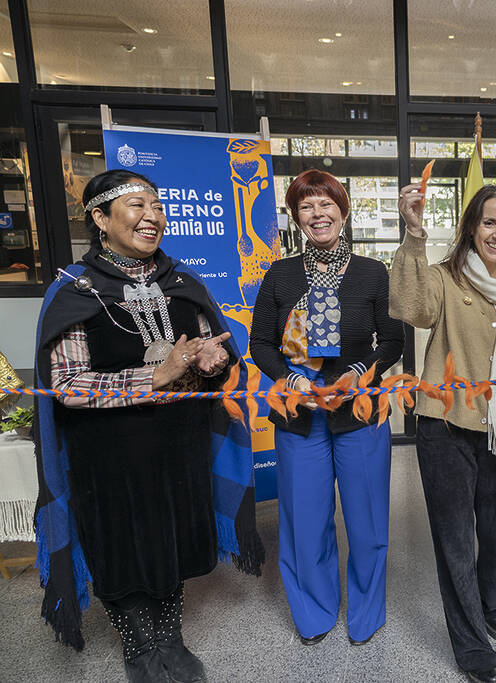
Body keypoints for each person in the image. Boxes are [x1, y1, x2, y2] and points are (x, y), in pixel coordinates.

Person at [33, 169, 264, 683]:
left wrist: (212, 364)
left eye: (157, 206)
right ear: (100, 218)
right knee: (121, 549)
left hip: (180, 447)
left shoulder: (182, 284)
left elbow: (212, 356)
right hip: (108, 457)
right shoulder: (75, 290)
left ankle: (170, 639)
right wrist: (155, 376)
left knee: (172, 542)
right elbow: (66, 385)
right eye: (137, 205)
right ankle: (138, 646)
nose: (152, 216)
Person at [392, 182, 496, 683]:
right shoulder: (445, 278)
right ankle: (471, 646)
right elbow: (411, 308)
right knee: (456, 542)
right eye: (489, 222)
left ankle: (494, 597)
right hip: (446, 426)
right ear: (471, 227)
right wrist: (414, 234)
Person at [250, 169, 404, 647]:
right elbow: (260, 343)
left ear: (343, 210)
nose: (317, 214)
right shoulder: (280, 274)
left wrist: (361, 372)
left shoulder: (373, 272)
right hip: (299, 413)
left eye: (325, 204)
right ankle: (314, 611)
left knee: (367, 519)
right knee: (305, 520)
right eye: (306, 206)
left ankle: (366, 612)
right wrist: (290, 379)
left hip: (359, 408)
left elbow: (393, 340)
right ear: (296, 217)